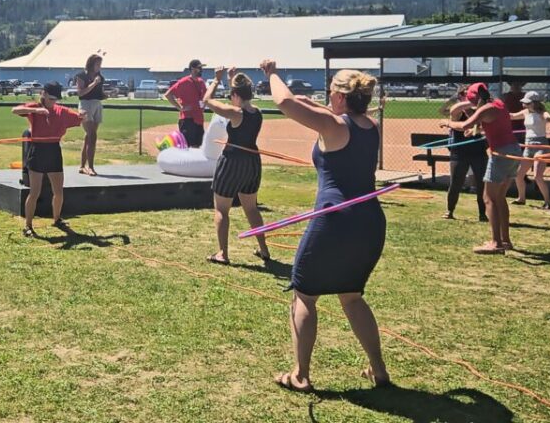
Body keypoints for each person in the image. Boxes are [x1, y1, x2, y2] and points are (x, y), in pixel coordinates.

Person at [263, 61, 390, 394]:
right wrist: (319, 103)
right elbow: (311, 106)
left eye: (331, 89)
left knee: (305, 295)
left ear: (339, 96)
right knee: (352, 297)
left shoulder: (333, 126)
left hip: (335, 221)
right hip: (370, 222)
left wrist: (271, 74)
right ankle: (378, 370)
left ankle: (300, 375)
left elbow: (285, 103)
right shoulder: (371, 125)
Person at [201, 67, 271, 265]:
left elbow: (207, 100)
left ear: (235, 95)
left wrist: (216, 80)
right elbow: (241, 97)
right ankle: (264, 250)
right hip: (251, 162)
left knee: (222, 209)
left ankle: (223, 253)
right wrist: (233, 78)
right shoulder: (257, 112)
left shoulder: (235, 113)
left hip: (232, 162)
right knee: (251, 209)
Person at [441, 82, 520, 255]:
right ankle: (505, 240)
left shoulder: (484, 109)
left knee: (489, 198)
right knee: (499, 197)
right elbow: (494, 125)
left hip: (501, 153)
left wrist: (447, 123)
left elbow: (463, 126)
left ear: (476, 100)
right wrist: (480, 132)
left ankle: (496, 243)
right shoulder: (499, 104)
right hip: (513, 149)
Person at [12, 82, 85, 237]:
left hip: (53, 151)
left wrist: (83, 115)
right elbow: (15, 110)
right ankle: (28, 226)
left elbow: (79, 118)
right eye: (51, 98)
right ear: (43, 94)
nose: (53, 102)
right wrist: (35, 110)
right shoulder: (35, 107)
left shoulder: (61, 111)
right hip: (37, 151)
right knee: (34, 192)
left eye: (56, 99)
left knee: (58, 191)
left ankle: (57, 219)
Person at [440, 88, 487, 221]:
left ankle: (483, 214)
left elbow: (487, 128)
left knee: (481, 184)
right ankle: (450, 210)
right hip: (459, 153)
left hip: (479, 153)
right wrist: (473, 102)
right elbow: (454, 110)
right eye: (464, 96)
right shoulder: (458, 112)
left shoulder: (481, 112)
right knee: (455, 183)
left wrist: (479, 105)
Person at [511, 91, 550, 210]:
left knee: (537, 176)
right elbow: (512, 116)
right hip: (528, 146)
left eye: (528, 103)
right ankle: (521, 198)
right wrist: (499, 110)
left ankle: (547, 202)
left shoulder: (542, 113)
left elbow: (549, 118)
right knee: (518, 175)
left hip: (541, 146)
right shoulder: (525, 112)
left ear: (535, 103)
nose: (525, 105)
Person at [165, 59, 208, 147]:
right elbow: (168, 94)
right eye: (199, 68)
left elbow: (205, 97)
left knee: (198, 147)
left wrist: (203, 106)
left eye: (201, 68)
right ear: (192, 69)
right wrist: (180, 108)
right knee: (187, 148)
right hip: (188, 120)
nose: (201, 70)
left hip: (199, 119)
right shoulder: (184, 82)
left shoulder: (202, 82)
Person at [75, 54, 106, 176]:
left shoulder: (100, 77)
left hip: (97, 105)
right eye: (97, 64)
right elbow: (81, 93)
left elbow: (99, 93)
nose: (99, 67)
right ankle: (90, 167)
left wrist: (108, 94)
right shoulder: (81, 75)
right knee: (92, 136)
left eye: (100, 64)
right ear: (91, 64)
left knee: (89, 137)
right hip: (85, 105)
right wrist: (93, 83)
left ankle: (82, 166)